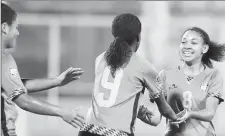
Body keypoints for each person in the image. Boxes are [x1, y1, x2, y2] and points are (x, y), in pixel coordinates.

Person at [78, 13, 178, 136]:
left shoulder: (100, 59)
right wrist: (177, 117)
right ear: (138, 37)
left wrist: (135, 109)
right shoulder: (143, 66)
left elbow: (113, 96)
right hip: (116, 133)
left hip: (87, 130)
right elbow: (164, 109)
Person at [1, 3, 84, 136]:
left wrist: (56, 81)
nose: (17, 33)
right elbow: (23, 101)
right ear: (4, 27)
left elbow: (13, 85)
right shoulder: (3, 58)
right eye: (16, 27)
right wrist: (62, 112)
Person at [143, 27, 225, 136]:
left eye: (193, 43)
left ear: (204, 48)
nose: (187, 46)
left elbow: (210, 113)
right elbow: (157, 117)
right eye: (183, 42)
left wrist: (190, 113)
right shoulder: (165, 75)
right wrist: (140, 112)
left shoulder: (213, 75)